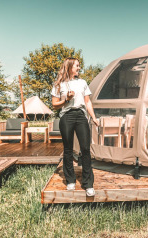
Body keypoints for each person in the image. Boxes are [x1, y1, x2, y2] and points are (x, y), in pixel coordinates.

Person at [51, 57, 99, 197]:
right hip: (67, 117)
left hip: (80, 115)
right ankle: (70, 180)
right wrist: (66, 99)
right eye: (77, 66)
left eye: (79, 66)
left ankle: (88, 184)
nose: (79, 68)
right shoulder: (59, 84)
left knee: (85, 149)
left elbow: (87, 102)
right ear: (70, 67)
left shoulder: (82, 82)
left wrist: (94, 117)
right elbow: (54, 104)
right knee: (68, 149)